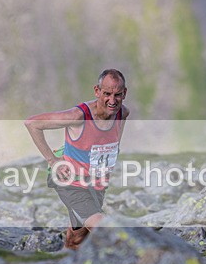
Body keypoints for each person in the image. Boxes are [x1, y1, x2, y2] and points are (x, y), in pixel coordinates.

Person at [24, 69, 130, 249]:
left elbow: (113, 141)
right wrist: (53, 161)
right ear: (97, 91)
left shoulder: (122, 113)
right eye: (107, 94)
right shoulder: (78, 116)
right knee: (100, 224)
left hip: (96, 182)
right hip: (69, 180)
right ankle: (139, 252)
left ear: (124, 93)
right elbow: (32, 123)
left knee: (78, 236)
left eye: (118, 95)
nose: (112, 101)